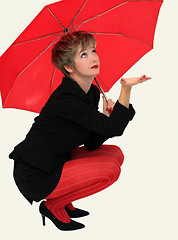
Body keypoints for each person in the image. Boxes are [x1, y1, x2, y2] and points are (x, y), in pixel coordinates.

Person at [9, 31, 151, 231]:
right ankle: (52, 206)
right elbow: (115, 129)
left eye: (93, 50)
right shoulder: (67, 99)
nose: (93, 57)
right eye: (83, 55)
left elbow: (92, 143)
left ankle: (65, 199)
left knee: (115, 154)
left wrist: (107, 117)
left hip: (57, 160)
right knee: (110, 171)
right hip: (36, 174)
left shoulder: (90, 92)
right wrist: (125, 90)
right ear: (68, 67)